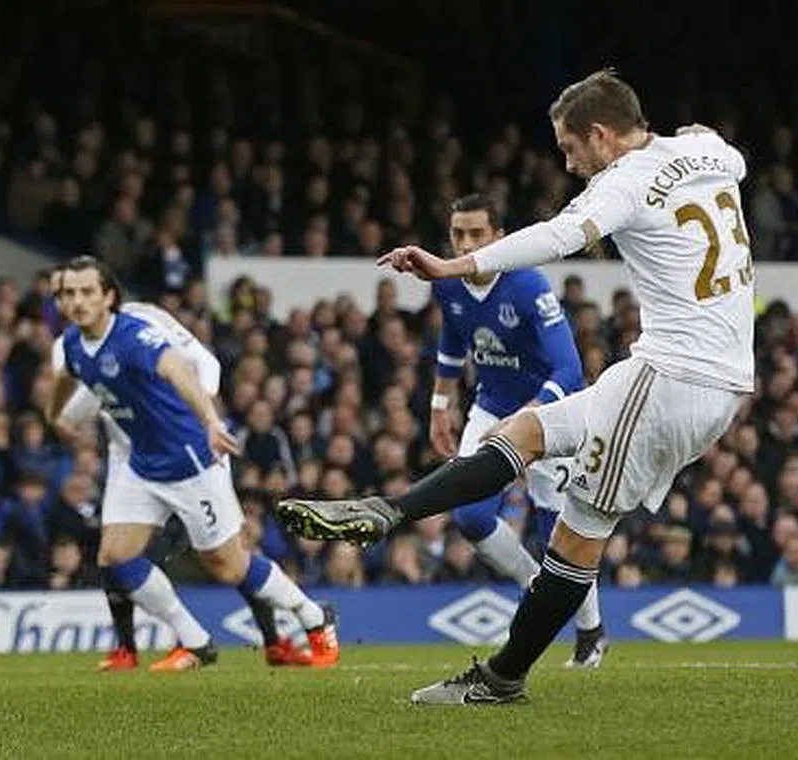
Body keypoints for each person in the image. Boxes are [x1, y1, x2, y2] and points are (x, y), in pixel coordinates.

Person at [276, 70, 753, 704]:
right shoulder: (710, 153)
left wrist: (453, 265)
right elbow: (733, 157)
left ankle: (504, 677)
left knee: (577, 535)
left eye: (569, 148)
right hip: (683, 372)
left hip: (674, 378)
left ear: (601, 135)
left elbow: (556, 236)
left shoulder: (625, 181)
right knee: (521, 432)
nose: (568, 163)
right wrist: (702, 136)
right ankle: (388, 510)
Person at [50, 256, 339, 672]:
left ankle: (313, 616)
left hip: (189, 459)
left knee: (229, 566)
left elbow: (180, 368)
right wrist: (55, 415)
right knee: (114, 556)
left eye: (85, 292)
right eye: (67, 293)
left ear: (108, 296)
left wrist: (209, 421)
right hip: (140, 461)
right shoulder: (72, 343)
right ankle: (194, 641)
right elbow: (70, 381)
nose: (76, 301)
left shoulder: (136, 333)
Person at [428, 193, 604, 667]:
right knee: (469, 515)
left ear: (499, 237)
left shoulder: (527, 284)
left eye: (477, 234)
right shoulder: (447, 284)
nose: (466, 244)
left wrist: (531, 416)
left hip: (552, 412)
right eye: (458, 234)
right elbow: (452, 344)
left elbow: (569, 368)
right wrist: (439, 406)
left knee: (561, 530)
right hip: (490, 408)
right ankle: (536, 587)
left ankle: (590, 630)